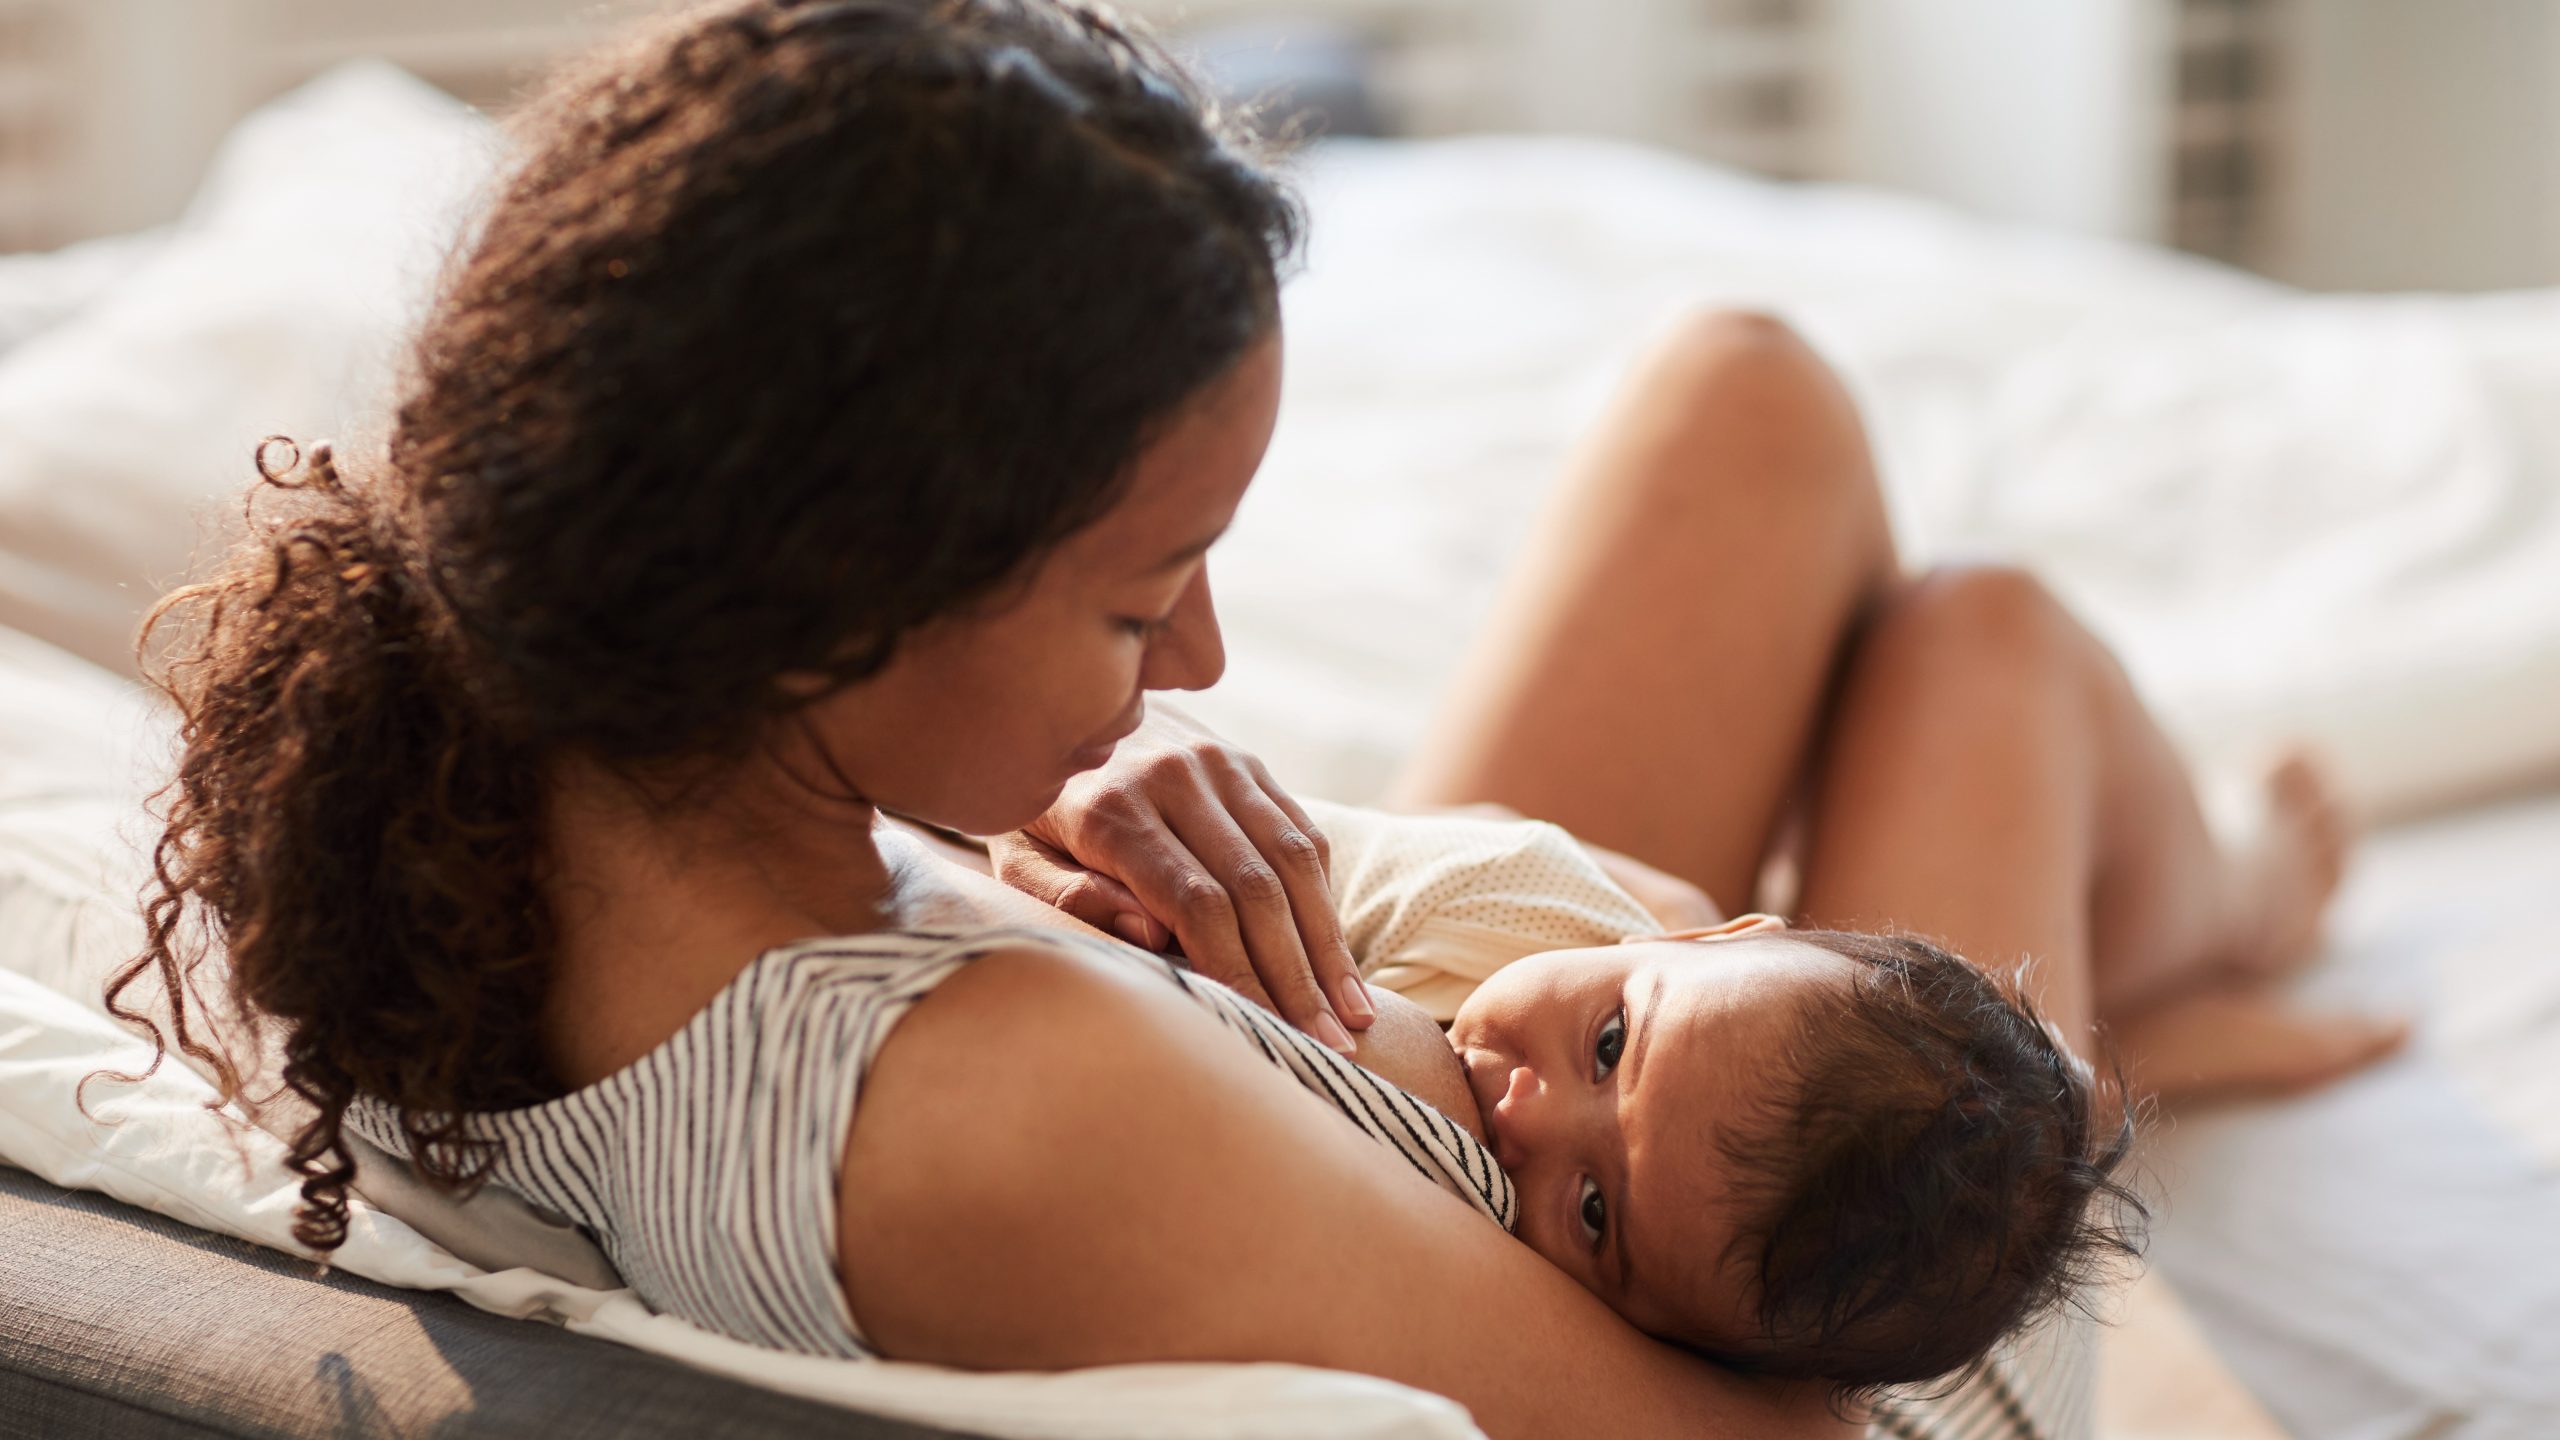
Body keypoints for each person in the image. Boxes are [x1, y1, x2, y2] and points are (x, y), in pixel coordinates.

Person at [96, 3, 2399, 1438]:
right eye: (1128, 600)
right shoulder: (1000, 1107)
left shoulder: (526, 751)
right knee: (1980, 640)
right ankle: (2171, 964)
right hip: (1806, 1294)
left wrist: (1041, 841)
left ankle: (2150, 953)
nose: (1198, 658)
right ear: (836, 605)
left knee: (1749, 401)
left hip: (1451, 1077)